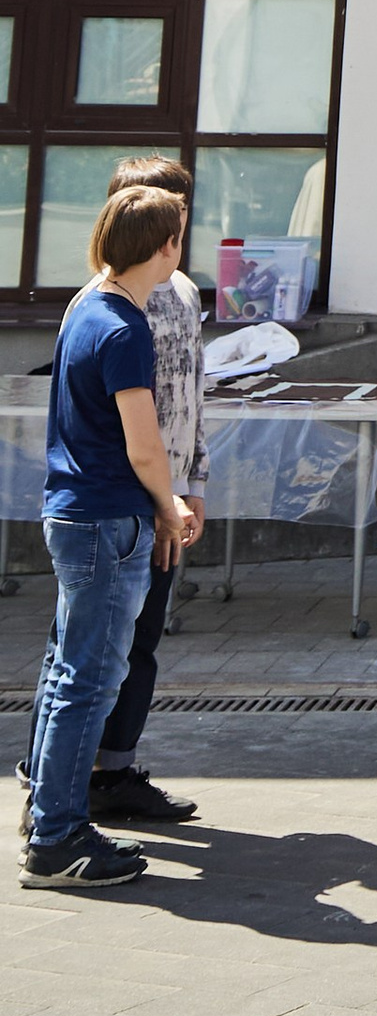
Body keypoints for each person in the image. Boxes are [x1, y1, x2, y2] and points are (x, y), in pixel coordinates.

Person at [23, 182, 197, 893]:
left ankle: (48, 815)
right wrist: (170, 504)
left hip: (73, 510)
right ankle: (58, 837)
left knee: (68, 670)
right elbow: (144, 445)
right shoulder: (125, 328)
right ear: (164, 247)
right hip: (106, 518)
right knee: (88, 680)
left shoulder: (87, 309)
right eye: (177, 236)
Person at [62, 154, 206, 832]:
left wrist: (193, 485)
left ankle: (111, 768)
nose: (179, 231)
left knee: (139, 640)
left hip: (163, 499)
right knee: (91, 651)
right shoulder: (107, 309)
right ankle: (69, 781)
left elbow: (190, 402)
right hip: (127, 502)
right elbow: (129, 432)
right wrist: (161, 497)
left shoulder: (181, 295)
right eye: (168, 217)